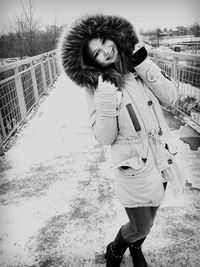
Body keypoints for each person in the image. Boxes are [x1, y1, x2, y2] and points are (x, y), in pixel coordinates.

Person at [58, 14, 186, 267]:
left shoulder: (139, 67)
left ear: (115, 37)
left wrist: (146, 66)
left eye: (105, 41)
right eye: (96, 53)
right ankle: (115, 251)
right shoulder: (96, 87)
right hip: (134, 168)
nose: (105, 51)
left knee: (150, 219)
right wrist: (106, 100)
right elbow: (104, 138)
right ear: (90, 61)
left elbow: (171, 97)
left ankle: (135, 248)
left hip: (161, 158)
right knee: (141, 225)